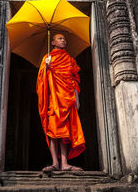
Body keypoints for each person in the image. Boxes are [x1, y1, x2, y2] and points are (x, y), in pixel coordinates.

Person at [36, 33, 85, 172]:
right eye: (60, 38)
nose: (64, 40)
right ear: (53, 42)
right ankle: (55, 163)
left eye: (64, 39)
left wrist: (77, 98)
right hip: (53, 100)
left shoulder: (70, 60)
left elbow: (75, 81)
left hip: (67, 99)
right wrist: (46, 68)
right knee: (53, 132)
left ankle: (64, 163)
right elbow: (41, 83)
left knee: (65, 133)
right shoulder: (47, 58)